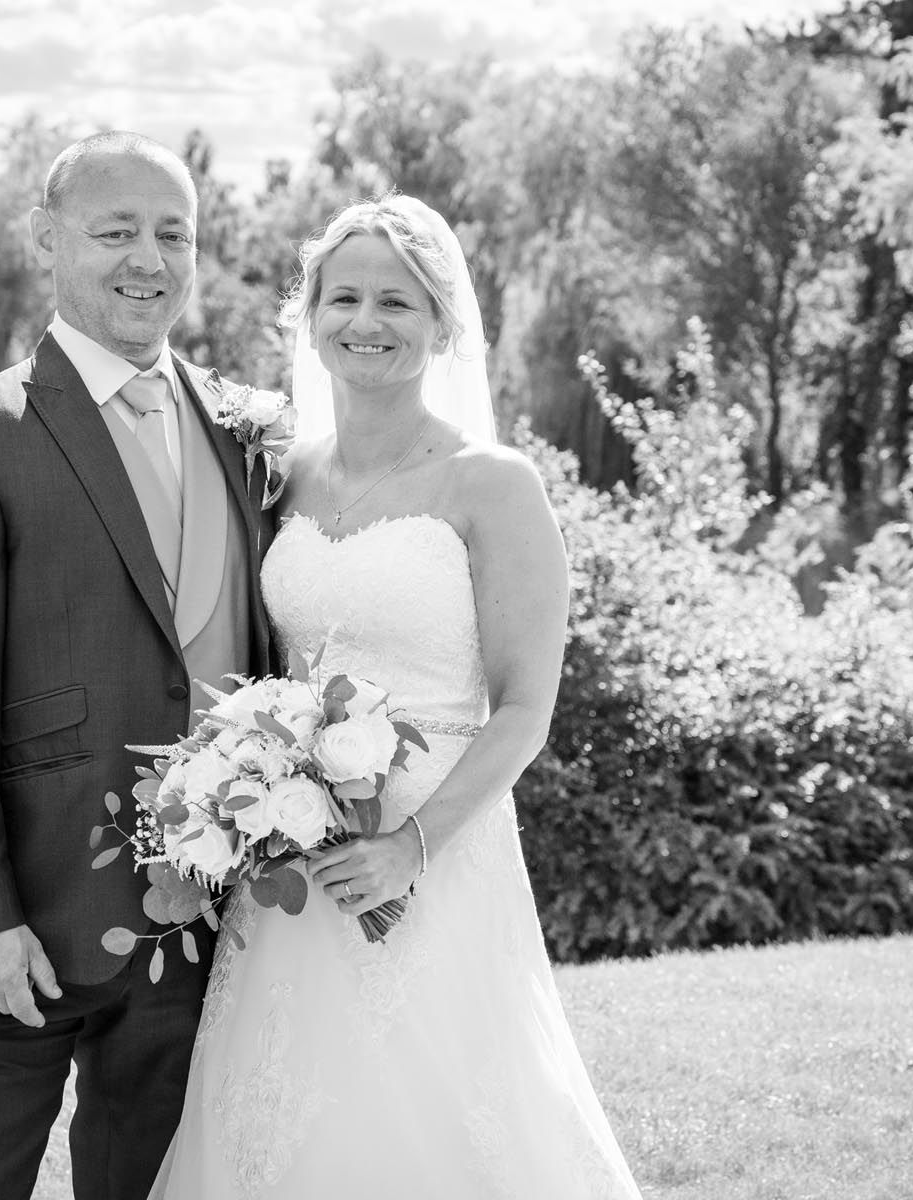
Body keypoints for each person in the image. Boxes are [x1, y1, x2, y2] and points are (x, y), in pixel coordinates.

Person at [148, 195, 644, 1198]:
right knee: (282, 1109)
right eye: (343, 298)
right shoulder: (285, 476)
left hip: (438, 849)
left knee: (446, 1107)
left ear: (442, 324)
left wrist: (408, 850)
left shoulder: (492, 484)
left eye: (396, 302)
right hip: (295, 852)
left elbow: (524, 711)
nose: (365, 321)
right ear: (310, 314)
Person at [0, 131, 274, 1200]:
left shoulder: (243, 436)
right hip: (25, 924)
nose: (148, 259)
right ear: (49, 240)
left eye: (172, 233)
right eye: (115, 232)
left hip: (199, 921)